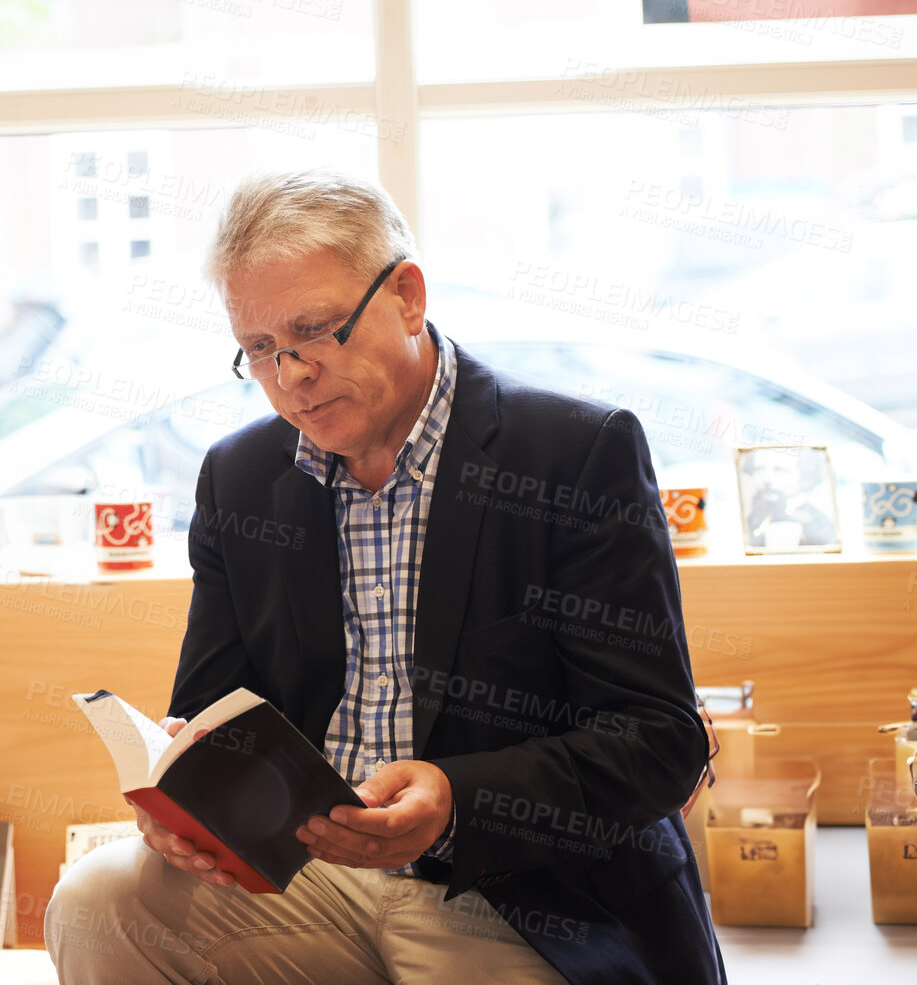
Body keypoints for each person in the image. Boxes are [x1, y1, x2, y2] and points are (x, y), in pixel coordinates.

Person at [45, 170, 723, 984]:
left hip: (526, 897)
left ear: (406, 295)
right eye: (260, 349)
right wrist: (186, 811)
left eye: (314, 329)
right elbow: (208, 713)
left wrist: (452, 797)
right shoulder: (239, 477)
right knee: (96, 896)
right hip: (306, 879)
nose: (291, 374)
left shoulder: (573, 454)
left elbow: (659, 740)